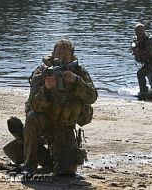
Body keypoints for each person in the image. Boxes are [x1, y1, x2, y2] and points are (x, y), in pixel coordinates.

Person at [22, 39, 98, 176]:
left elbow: (92, 97)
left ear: (72, 57)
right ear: (52, 54)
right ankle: (29, 163)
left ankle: (47, 157)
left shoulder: (79, 73)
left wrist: (76, 82)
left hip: (65, 127)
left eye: (65, 54)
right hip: (44, 121)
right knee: (31, 118)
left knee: (66, 171)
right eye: (58, 53)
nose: (61, 57)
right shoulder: (42, 72)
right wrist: (46, 89)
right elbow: (33, 104)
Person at [131, 23, 152, 95]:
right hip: (147, 62)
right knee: (150, 76)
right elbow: (134, 44)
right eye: (136, 30)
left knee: (140, 74)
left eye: (139, 30)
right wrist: (134, 48)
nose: (137, 32)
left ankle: (143, 91)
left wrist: (138, 50)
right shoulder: (137, 39)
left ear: (143, 30)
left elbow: (150, 54)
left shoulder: (149, 40)